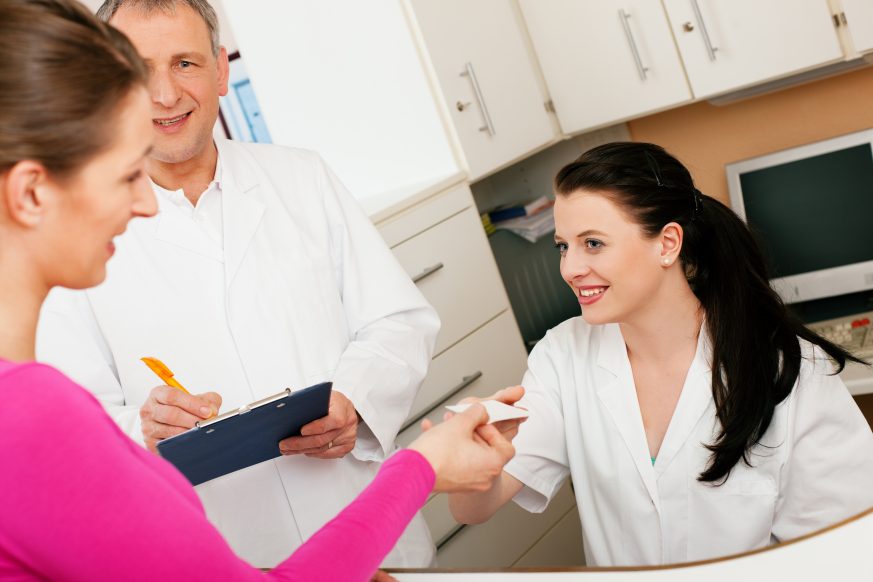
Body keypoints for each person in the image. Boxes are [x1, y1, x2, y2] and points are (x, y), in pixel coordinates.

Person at [0, 3, 518, 580]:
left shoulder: (302, 177)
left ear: (221, 70)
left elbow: (398, 320)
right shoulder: (76, 248)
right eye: (141, 69)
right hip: (228, 544)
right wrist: (142, 428)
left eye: (186, 63)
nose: (166, 94)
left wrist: (355, 400)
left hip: (367, 528)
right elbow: (75, 426)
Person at [448, 142, 873, 566]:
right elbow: (474, 510)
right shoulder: (562, 357)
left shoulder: (791, 370)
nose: (570, 268)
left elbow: (846, 549)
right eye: (563, 246)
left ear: (667, 243)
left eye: (592, 243)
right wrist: (476, 460)